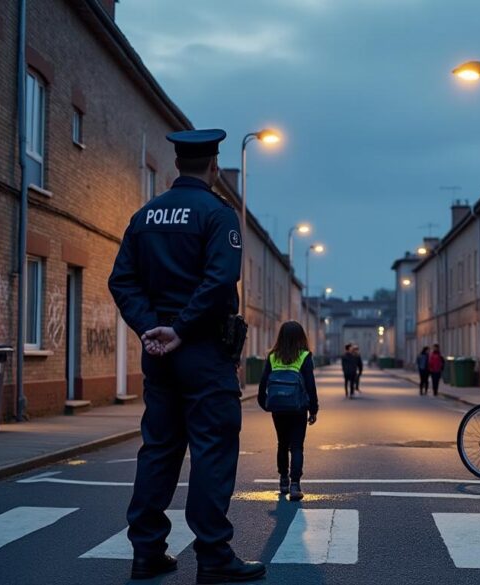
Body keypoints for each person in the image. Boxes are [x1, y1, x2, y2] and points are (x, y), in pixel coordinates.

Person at [108, 129, 265, 584]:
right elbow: (219, 282)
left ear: (177, 165)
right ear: (214, 168)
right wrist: (181, 329)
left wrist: (150, 328)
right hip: (202, 350)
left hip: (159, 351)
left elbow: (122, 281)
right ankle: (214, 556)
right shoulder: (218, 215)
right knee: (212, 450)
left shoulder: (145, 216)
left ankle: (147, 553)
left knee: (158, 449)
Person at [257, 321, 319, 501]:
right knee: (297, 446)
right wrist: (313, 409)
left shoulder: (273, 356)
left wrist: (264, 403)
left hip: (278, 408)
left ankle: (283, 480)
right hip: (298, 408)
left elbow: (263, 382)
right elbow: (310, 385)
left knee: (282, 444)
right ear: (301, 337)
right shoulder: (304, 356)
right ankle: (295, 485)